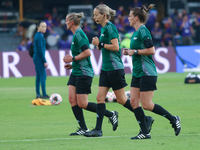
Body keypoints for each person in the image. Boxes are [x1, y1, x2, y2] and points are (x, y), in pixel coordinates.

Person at [84, 4, 154, 137]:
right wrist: (99, 45)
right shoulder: (103, 28)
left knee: (122, 100)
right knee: (100, 97)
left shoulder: (111, 28)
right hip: (106, 68)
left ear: (104, 15)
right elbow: (105, 47)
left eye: (96, 15)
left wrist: (100, 44)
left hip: (115, 68)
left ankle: (145, 118)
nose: (94, 17)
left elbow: (116, 47)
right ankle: (98, 130)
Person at [123, 4, 181, 140]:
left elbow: (152, 50)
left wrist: (135, 51)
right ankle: (145, 132)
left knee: (147, 105)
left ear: (136, 18)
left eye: (130, 16)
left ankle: (173, 119)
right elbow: (138, 51)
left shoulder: (143, 31)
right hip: (137, 72)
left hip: (147, 72)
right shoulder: (135, 33)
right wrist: (130, 52)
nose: (128, 18)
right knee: (133, 103)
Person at [63, 12, 119, 136]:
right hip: (76, 71)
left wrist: (72, 59)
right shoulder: (75, 34)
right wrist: (73, 65)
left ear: (71, 22)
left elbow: (88, 52)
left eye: (66, 20)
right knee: (72, 100)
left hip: (84, 73)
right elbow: (82, 56)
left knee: (82, 103)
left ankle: (111, 114)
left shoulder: (79, 34)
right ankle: (83, 128)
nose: (65, 23)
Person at [33, 21, 49, 99]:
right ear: (38, 27)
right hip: (39, 58)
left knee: (38, 76)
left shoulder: (38, 35)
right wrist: (44, 61)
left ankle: (38, 94)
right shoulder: (39, 36)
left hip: (36, 57)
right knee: (43, 76)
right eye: (42, 26)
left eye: (45, 26)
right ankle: (44, 94)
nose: (44, 28)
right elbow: (40, 50)